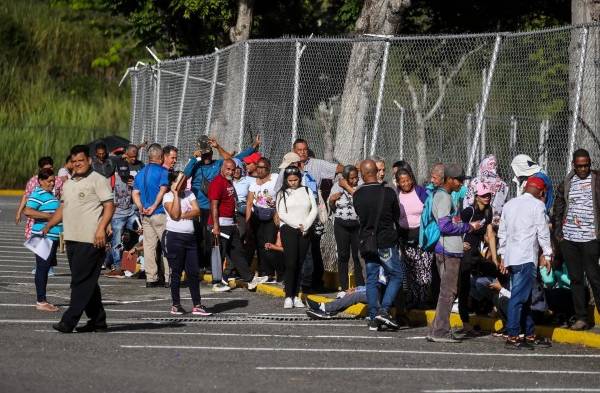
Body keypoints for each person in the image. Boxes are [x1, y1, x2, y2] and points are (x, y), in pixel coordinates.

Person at [43, 144, 114, 333]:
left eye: (80, 160)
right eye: (74, 162)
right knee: (87, 280)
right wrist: (50, 224)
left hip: (91, 239)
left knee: (79, 282)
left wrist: (101, 229)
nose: (77, 164)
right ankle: (98, 321)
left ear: (89, 160)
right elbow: (63, 208)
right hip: (72, 239)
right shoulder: (68, 183)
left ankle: (69, 321)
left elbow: (109, 206)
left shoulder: (98, 180)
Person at [274, 139, 344, 290]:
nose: (303, 152)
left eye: (305, 149)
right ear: (294, 151)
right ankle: (300, 281)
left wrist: (340, 183)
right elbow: (278, 192)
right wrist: (278, 213)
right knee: (299, 251)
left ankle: (311, 282)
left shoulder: (313, 170)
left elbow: (339, 169)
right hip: (292, 216)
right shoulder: (286, 171)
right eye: (299, 150)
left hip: (311, 216)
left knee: (312, 249)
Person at [184, 135, 260, 270]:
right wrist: (194, 158)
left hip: (213, 207)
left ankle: (208, 265)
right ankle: (199, 263)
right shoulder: (196, 165)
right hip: (198, 206)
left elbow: (231, 159)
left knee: (210, 238)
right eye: (204, 153)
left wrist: (218, 146)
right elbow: (186, 174)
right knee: (197, 236)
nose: (206, 156)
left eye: (208, 152)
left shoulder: (218, 164)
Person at [427, 164, 481, 343]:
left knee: (446, 291)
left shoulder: (445, 196)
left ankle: (436, 327)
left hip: (447, 249)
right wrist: (468, 227)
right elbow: (444, 225)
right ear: (449, 179)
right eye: (459, 180)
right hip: (448, 250)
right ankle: (440, 331)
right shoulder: (444, 198)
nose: (461, 184)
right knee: (448, 292)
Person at [498, 176, 553, 349]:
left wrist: (502, 255)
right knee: (518, 298)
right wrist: (548, 254)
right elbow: (543, 231)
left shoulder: (509, 205)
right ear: (540, 190)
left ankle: (529, 333)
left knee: (525, 297)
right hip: (526, 257)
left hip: (512, 257)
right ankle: (513, 336)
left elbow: (502, 232)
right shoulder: (538, 205)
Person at [353, 160, 404, 331]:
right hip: (386, 241)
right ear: (377, 172)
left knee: (372, 279)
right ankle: (384, 309)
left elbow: (360, 215)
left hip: (368, 242)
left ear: (362, 174)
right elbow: (397, 215)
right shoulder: (388, 193)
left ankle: (373, 316)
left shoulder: (358, 195)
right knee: (396, 275)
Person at [553, 148, 600, 331]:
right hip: (569, 238)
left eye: (586, 165)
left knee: (594, 277)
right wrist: (559, 232)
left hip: (590, 237)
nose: (583, 169)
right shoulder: (567, 182)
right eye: (580, 166)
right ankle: (581, 318)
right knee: (575, 279)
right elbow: (558, 206)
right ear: (574, 165)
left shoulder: (596, 180)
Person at [162, 171, 211, 316]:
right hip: (174, 237)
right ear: (174, 182)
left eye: (185, 181)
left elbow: (197, 212)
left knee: (193, 272)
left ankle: (197, 304)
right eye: (181, 181)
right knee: (176, 272)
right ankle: (176, 305)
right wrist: (176, 194)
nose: (185, 183)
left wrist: (182, 215)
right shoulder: (168, 196)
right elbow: (174, 215)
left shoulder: (190, 194)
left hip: (190, 238)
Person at [208, 159, 261, 291]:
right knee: (219, 253)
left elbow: (231, 203)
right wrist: (216, 226)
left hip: (230, 223)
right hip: (220, 224)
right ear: (222, 168)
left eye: (233, 169)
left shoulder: (228, 182)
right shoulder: (217, 183)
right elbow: (214, 206)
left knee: (237, 252)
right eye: (228, 169)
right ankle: (216, 283)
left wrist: (235, 221)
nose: (231, 172)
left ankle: (249, 279)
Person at [457, 182, 498, 336]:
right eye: (483, 195)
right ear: (476, 196)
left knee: (495, 273)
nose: (486, 198)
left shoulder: (488, 212)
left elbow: (490, 235)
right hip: (464, 254)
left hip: (476, 254)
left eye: (488, 195)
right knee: (463, 288)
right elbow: (453, 227)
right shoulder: (469, 211)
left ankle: (495, 308)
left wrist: (494, 259)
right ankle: (465, 323)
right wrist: (459, 243)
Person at [276, 166, 318, 308]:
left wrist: (306, 225)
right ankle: (288, 295)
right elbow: (281, 213)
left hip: (305, 230)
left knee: (300, 263)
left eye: (295, 180)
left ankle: (296, 295)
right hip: (289, 229)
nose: (293, 183)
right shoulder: (282, 193)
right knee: (291, 262)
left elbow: (314, 209)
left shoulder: (306, 190)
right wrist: (297, 225)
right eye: (290, 180)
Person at [23, 168, 63, 312]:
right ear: (40, 181)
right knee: (42, 268)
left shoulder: (49, 194)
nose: (52, 183)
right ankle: (41, 301)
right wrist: (48, 217)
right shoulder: (38, 194)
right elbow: (27, 211)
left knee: (44, 268)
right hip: (43, 237)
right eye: (49, 181)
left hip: (51, 237)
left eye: (53, 181)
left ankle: (42, 299)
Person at [132, 143, 170, 288]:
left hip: (145, 214)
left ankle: (151, 277)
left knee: (149, 246)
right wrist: (154, 206)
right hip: (159, 213)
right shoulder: (162, 172)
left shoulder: (141, 173)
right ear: (160, 157)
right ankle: (169, 277)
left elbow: (135, 193)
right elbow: (163, 190)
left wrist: (141, 207)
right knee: (167, 245)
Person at [395, 167, 431, 309]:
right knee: (410, 270)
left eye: (408, 180)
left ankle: (423, 299)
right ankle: (412, 299)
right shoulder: (396, 195)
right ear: (398, 183)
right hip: (404, 236)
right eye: (402, 181)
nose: (405, 184)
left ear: (412, 179)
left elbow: (429, 208)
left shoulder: (420, 191)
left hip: (422, 236)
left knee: (424, 269)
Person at [329, 165, 363, 294]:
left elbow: (361, 199)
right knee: (343, 255)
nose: (355, 180)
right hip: (341, 224)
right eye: (352, 178)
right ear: (345, 178)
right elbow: (332, 206)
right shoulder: (337, 186)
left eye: (356, 177)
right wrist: (331, 200)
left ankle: (360, 286)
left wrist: (348, 187)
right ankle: (343, 287)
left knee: (357, 256)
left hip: (357, 225)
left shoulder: (361, 186)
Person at [246, 157, 281, 283]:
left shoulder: (276, 178)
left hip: (271, 216)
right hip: (258, 217)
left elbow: (281, 195)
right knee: (260, 244)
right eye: (258, 167)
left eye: (262, 168)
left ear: (269, 168)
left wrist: (278, 211)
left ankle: (271, 272)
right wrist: (248, 221)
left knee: (269, 244)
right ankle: (263, 271)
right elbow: (249, 202)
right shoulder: (254, 183)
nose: (259, 170)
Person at [105, 159, 140, 277]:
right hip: (116, 216)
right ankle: (118, 266)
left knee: (141, 232)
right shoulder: (112, 180)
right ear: (117, 171)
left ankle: (131, 265)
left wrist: (135, 186)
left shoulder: (132, 179)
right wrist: (108, 222)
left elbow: (138, 194)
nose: (124, 176)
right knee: (117, 241)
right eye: (122, 173)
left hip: (130, 213)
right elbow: (108, 203)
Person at [465, 155, 508, 223]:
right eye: (491, 164)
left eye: (494, 164)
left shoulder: (475, 181)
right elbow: (499, 206)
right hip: (494, 221)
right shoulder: (503, 184)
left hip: (475, 220)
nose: (493, 167)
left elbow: (468, 202)